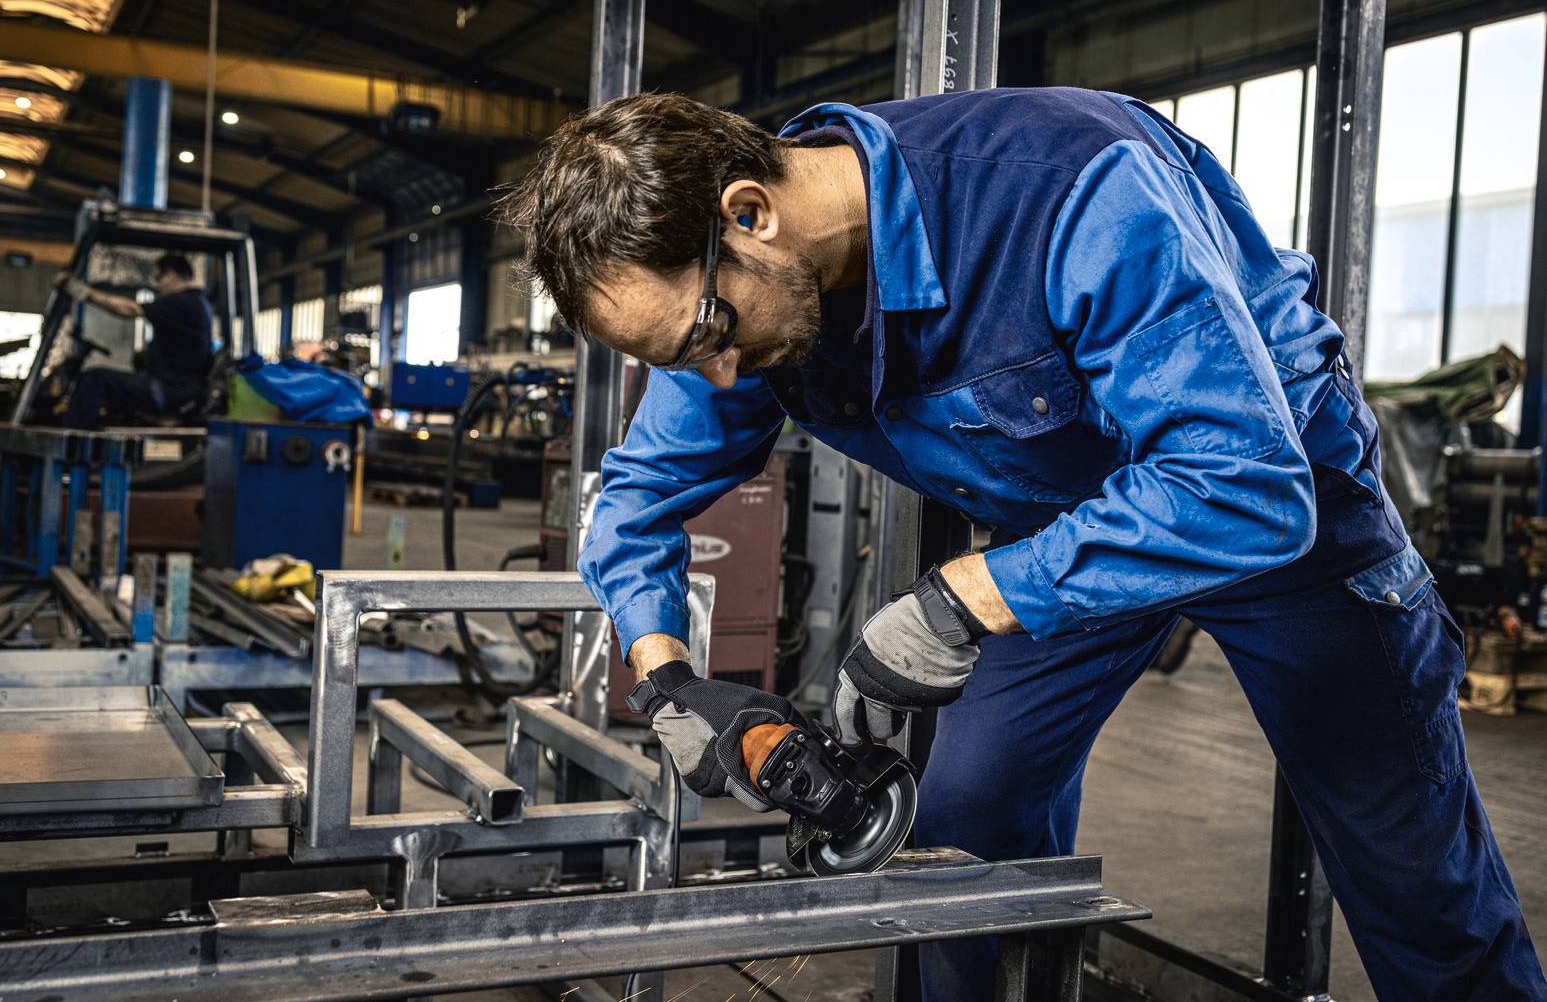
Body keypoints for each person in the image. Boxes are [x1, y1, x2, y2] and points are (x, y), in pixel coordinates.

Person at [497, 89, 1545, 999]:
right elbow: (634, 501)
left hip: (1275, 509)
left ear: (748, 212)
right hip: (1068, 541)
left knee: (1408, 864)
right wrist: (672, 677)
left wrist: (961, 600)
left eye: (707, 338)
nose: (719, 381)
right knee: (963, 821)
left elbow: (1237, 481)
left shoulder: (1069, 185)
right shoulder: (731, 296)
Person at [57, 253, 214, 429]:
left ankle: (72, 444)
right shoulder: (198, 303)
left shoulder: (184, 301)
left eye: (158, 277)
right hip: (178, 388)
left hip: (170, 391)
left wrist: (80, 290)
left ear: (171, 274)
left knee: (94, 380)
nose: (158, 285)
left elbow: (129, 309)